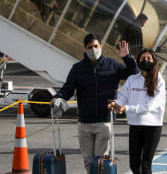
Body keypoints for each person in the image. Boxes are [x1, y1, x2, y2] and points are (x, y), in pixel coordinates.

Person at [50, 33, 139, 173]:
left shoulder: (112, 65)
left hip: (104, 121)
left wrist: (127, 58)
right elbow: (67, 88)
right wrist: (58, 97)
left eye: (96, 46)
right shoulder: (77, 68)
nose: (93, 49)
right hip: (84, 122)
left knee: (101, 160)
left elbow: (134, 73)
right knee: (88, 160)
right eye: (90, 47)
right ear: (85, 49)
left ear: (101, 46)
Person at [108, 49, 165, 174]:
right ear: (138, 61)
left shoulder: (159, 81)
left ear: (154, 61)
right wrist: (116, 104)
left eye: (149, 58)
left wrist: (127, 108)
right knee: (134, 165)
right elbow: (123, 96)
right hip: (135, 125)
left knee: (146, 165)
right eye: (142, 58)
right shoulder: (132, 79)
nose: (145, 60)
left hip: (152, 126)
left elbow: (150, 106)